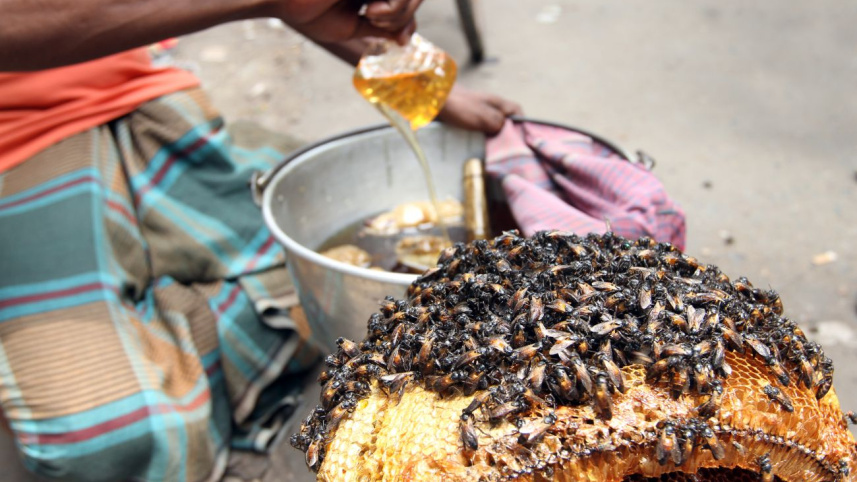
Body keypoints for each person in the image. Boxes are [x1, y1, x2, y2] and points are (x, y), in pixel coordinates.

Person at [0, 1, 521, 480]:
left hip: (137, 92)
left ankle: (163, 335)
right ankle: (167, 335)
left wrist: (416, 73)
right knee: (110, 442)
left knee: (365, 293)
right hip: (18, 147)